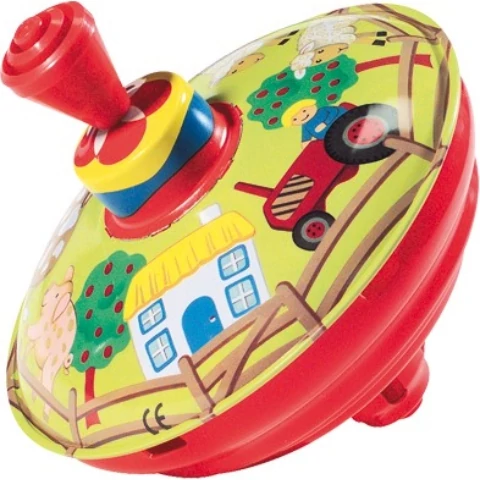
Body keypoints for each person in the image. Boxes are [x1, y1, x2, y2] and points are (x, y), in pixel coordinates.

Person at [282, 99, 347, 148]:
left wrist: (325, 123)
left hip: (343, 123)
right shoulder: (305, 126)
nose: (302, 116)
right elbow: (305, 138)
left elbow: (334, 111)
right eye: (295, 119)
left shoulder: (322, 110)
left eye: (304, 111)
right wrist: (306, 146)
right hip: (331, 139)